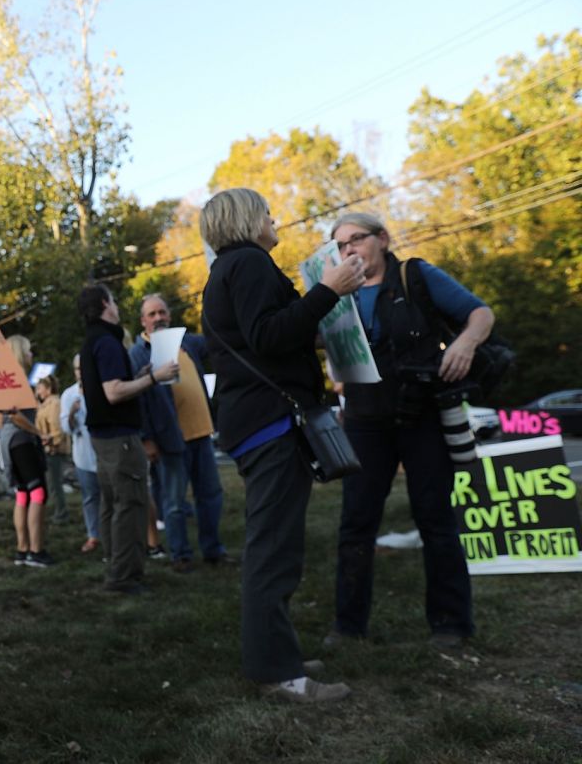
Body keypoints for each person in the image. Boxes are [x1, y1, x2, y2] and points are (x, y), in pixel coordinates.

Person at [201, 187, 364, 703]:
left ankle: (277, 655)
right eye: (267, 211)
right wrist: (328, 290)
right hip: (270, 423)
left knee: (276, 547)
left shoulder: (232, 269)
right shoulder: (247, 262)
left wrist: (320, 321)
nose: (276, 219)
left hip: (259, 422)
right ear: (247, 220)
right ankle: (280, 674)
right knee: (272, 551)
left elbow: (268, 335)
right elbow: (269, 334)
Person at [327, 212, 488, 648]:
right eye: (340, 245)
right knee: (356, 523)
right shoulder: (337, 293)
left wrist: (465, 342)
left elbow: (480, 314)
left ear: (382, 238)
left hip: (422, 416)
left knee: (435, 519)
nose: (348, 251)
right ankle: (348, 626)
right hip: (363, 421)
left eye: (355, 240)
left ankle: (451, 624)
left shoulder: (414, 274)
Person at [76, 284, 178, 595]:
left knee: (112, 504)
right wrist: (153, 378)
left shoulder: (91, 340)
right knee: (130, 504)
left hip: (103, 438)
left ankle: (115, 565)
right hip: (120, 438)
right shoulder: (106, 341)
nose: (118, 306)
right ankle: (123, 577)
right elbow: (114, 391)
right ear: (106, 303)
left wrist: (141, 374)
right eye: (115, 300)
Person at [129, 294, 231, 572]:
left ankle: (213, 550)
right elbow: (139, 402)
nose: (158, 317)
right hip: (170, 441)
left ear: (169, 316)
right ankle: (181, 555)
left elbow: (215, 338)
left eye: (162, 312)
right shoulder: (138, 354)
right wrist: (147, 439)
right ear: (143, 321)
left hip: (201, 434)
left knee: (211, 495)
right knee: (174, 503)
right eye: (152, 314)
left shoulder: (185, 343)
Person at [0, 335, 53, 567]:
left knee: (22, 493)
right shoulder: (18, 378)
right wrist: (38, 433)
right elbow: (15, 415)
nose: (32, 355)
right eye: (29, 350)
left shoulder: (1, 379)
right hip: (21, 440)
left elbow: (0, 416)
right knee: (38, 492)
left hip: (8, 441)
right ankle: (36, 550)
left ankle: (22, 550)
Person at [60, 355, 101, 553]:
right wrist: (71, 413)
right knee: (90, 496)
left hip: (105, 452)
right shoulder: (69, 395)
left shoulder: (102, 387)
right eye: (77, 369)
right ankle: (93, 535)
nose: (81, 372)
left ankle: (112, 534)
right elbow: (66, 428)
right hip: (83, 455)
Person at [34, 374, 70, 525]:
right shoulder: (44, 404)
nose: (37, 390)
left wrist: (50, 441)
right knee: (51, 483)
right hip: (47, 448)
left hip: (53, 449)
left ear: (48, 389)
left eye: (40, 387)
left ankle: (61, 513)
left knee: (55, 483)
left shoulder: (54, 403)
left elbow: (57, 429)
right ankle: (58, 511)